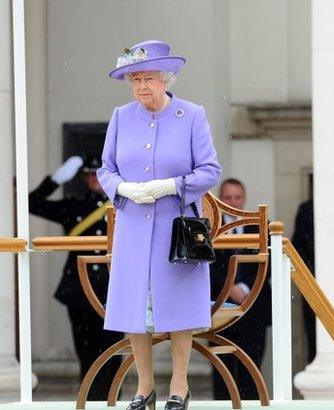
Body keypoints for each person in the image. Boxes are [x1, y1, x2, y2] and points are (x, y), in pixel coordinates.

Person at [97, 40, 222, 410]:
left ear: (165, 79)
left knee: (179, 306)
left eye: (148, 78)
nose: (141, 87)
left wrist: (173, 185)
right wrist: (123, 188)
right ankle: (144, 385)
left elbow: (210, 170)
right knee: (135, 307)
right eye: (134, 79)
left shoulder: (192, 115)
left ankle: (179, 385)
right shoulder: (121, 116)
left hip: (177, 228)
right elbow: (105, 168)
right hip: (133, 227)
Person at [29, 155, 124, 400]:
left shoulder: (122, 205)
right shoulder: (74, 206)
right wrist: (56, 179)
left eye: (98, 173)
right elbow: (32, 203)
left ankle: (113, 401)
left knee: (114, 353)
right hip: (80, 291)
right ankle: (90, 402)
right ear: (83, 177)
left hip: (113, 290)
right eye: (90, 174)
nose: (94, 178)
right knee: (87, 354)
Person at [210, 178, 271, 400]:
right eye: (228, 197)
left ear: (244, 199)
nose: (233, 202)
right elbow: (205, 267)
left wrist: (245, 287)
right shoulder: (209, 225)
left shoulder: (260, 225)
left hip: (252, 309)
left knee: (251, 368)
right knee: (221, 370)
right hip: (219, 309)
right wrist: (228, 289)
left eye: (237, 197)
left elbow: (266, 263)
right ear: (220, 199)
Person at [291, 198, 316, 363]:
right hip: (312, 284)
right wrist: (311, 273)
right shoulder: (307, 208)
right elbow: (297, 247)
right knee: (313, 334)